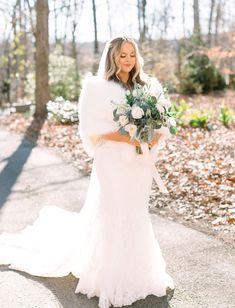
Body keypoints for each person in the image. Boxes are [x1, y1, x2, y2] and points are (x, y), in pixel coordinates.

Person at [0, 36, 174, 308]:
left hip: (138, 164)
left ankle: (140, 271)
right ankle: (110, 275)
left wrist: (152, 137)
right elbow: (94, 130)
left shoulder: (149, 86)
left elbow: (162, 123)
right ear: (112, 57)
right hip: (112, 161)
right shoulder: (96, 88)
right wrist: (129, 137)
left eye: (131, 54)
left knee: (135, 212)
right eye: (122, 55)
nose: (127, 59)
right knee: (113, 211)